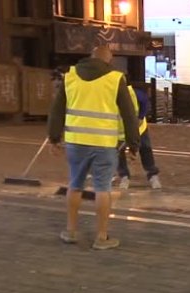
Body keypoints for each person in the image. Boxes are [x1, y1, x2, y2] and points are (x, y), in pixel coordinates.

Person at [48, 46, 140, 250]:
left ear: (91, 57)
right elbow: (128, 115)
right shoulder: (115, 79)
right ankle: (101, 236)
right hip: (104, 144)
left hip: (76, 141)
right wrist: (133, 145)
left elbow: (57, 109)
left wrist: (54, 138)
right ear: (109, 60)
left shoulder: (70, 77)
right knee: (102, 188)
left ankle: (71, 231)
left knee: (75, 184)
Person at [117, 85, 161, 190]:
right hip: (118, 131)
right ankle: (124, 176)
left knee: (145, 148)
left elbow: (145, 101)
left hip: (138, 128)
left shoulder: (132, 93)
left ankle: (152, 175)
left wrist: (141, 117)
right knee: (118, 153)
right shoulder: (107, 96)